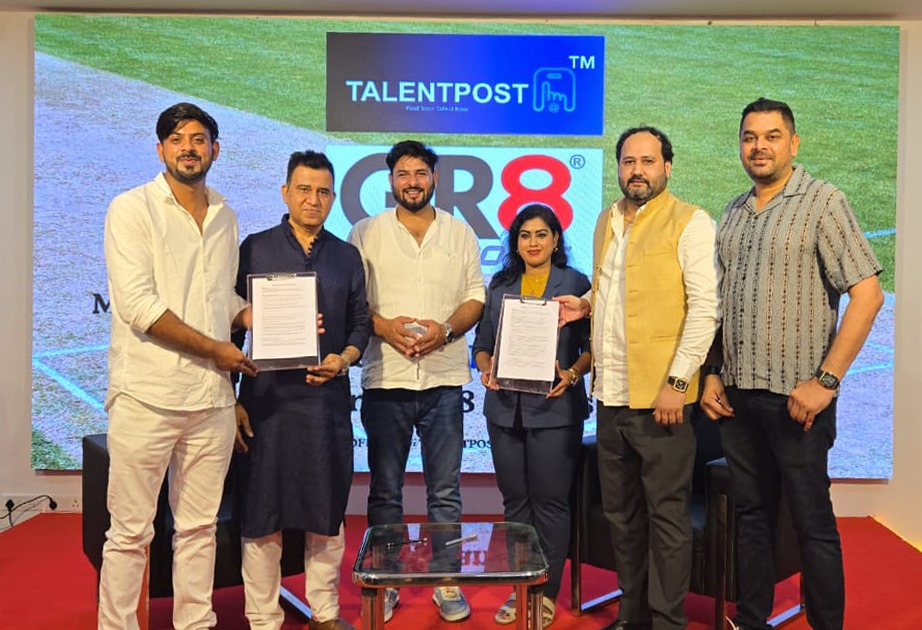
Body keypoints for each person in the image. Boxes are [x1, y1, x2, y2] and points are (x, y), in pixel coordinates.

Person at [699, 98, 884, 630]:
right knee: (751, 519)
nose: (759, 146)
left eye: (772, 136)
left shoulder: (824, 201)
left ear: (793, 144)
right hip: (738, 398)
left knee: (811, 525)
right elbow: (723, 304)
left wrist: (826, 381)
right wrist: (712, 372)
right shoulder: (733, 211)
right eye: (750, 137)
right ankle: (751, 620)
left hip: (798, 401)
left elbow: (867, 294)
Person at [99, 102, 258, 630]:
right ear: (160, 149)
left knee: (199, 528)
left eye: (198, 139)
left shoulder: (225, 214)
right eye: (177, 139)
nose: (188, 148)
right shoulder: (131, 208)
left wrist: (257, 315)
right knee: (130, 533)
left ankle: (196, 623)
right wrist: (216, 350)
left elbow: (220, 299)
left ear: (215, 149)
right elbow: (139, 307)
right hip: (147, 394)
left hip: (210, 399)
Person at [558, 126, 719, 630]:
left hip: (662, 400)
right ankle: (633, 616)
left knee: (667, 517)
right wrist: (585, 304)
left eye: (648, 162)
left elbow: (705, 309)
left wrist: (677, 383)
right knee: (622, 516)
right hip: (611, 396)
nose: (638, 171)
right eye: (629, 162)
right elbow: (615, 289)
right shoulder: (606, 218)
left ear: (667, 167)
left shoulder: (692, 221)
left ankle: (666, 620)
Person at [347, 140, 485, 623]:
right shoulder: (365, 232)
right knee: (385, 489)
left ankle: (446, 580)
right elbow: (353, 301)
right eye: (403, 173)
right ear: (390, 180)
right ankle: (387, 580)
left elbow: (475, 297)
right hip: (386, 378)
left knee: (445, 490)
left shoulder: (459, 232)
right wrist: (384, 328)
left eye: (420, 173)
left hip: (444, 381)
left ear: (434, 178)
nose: (412, 181)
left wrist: (444, 331)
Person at [233, 151, 369, 630]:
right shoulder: (254, 249)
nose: (314, 200)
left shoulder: (346, 256)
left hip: (325, 403)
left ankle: (325, 613)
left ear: (333, 197)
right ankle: (263, 618)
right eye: (304, 189)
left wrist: (343, 359)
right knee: (261, 514)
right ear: (285, 192)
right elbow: (230, 326)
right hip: (266, 403)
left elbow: (360, 324)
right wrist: (231, 399)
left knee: (325, 512)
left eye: (323, 191)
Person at [472, 204, 591, 627]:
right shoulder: (501, 284)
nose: (533, 242)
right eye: (525, 235)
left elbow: (593, 348)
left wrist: (572, 373)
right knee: (515, 503)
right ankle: (520, 587)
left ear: (556, 239)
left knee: (551, 504)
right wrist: (486, 368)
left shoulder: (576, 283)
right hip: (505, 411)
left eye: (542, 234)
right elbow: (481, 344)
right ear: (515, 242)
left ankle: (545, 593)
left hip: (555, 409)